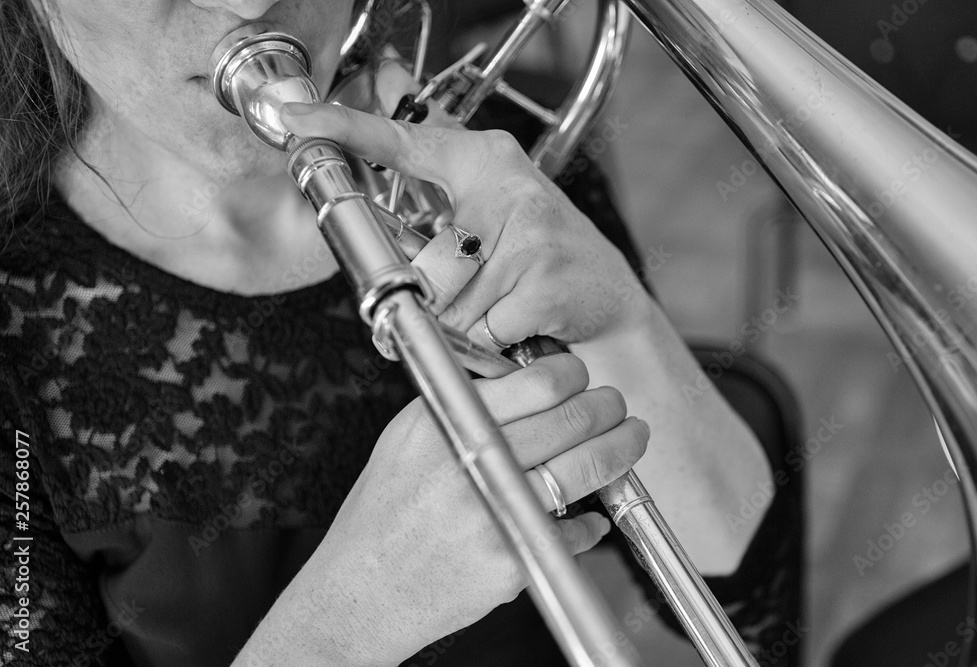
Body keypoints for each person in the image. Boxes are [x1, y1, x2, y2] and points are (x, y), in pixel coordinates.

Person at [0, 1, 788, 665]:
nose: (250, 3)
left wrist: (622, 319)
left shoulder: (483, 150)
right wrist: (349, 622)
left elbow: (744, 589)